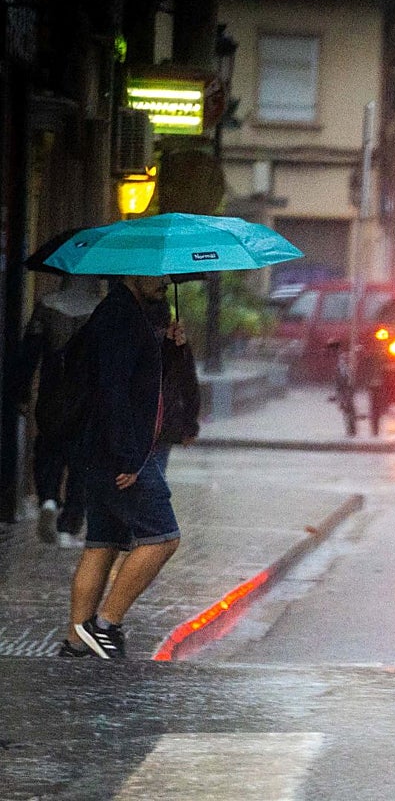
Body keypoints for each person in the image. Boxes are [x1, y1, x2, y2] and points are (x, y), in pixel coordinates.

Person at [58, 275, 180, 659]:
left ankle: (78, 642)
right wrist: (128, 456)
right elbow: (112, 391)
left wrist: (170, 348)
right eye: (157, 274)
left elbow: (134, 381)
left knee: (102, 545)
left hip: (98, 452)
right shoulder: (120, 319)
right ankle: (105, 625)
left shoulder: (122, 315)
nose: (167, 280)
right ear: (132, 274)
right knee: (163, 537)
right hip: (120, 455)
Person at [12, 275, 102, 547]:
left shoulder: (47, 306)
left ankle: (48, 498)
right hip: (87, 398)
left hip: (52, 393)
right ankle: (70, 523)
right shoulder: (99, 309)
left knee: (48, 450)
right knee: (81, 462)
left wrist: (22, 393)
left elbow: (29, 354)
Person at [145, 297, 201, 472]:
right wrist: (190, 425)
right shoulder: (178, 342)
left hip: (150, 423)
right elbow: (190, 384)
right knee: (157, 476)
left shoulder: (145, 342)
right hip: (166, 422)